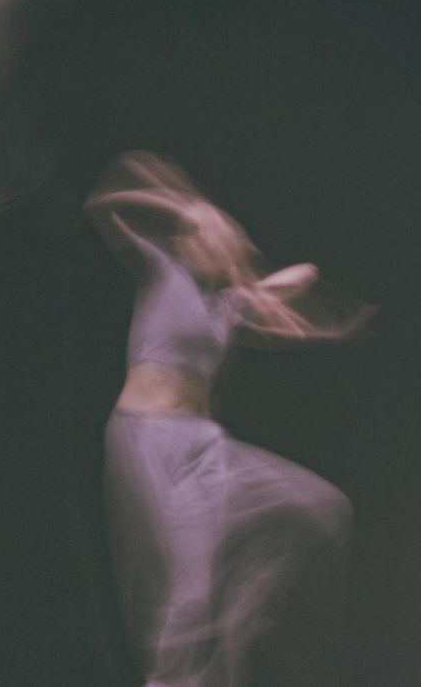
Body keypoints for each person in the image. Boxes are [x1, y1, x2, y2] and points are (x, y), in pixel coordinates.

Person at [84, 150, 372, 687]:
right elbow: (107, 201)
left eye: (229, 245)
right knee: (188, 595)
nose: (221, 249)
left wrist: (281, 296)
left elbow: (298, 278)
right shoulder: (165, 270)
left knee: (320, 508)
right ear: (191, 243)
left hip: (204, 446)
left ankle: (236, 651)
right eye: (212, 241)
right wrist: (186, 209)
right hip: (148, 440)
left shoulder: (227, 306)